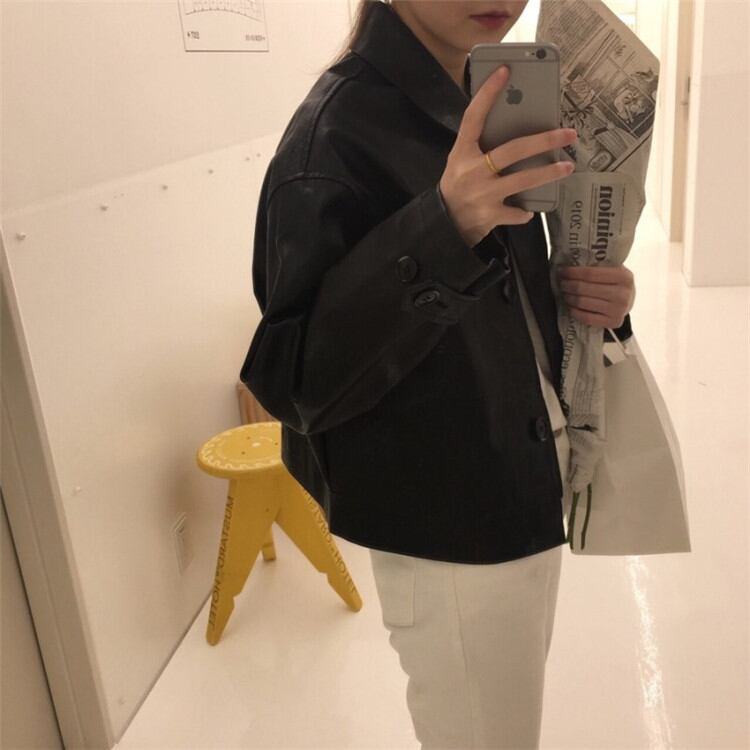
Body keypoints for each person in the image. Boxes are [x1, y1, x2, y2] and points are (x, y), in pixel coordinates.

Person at [239, 1, 636, 747]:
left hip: (524, 464)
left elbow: (501, 297)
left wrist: (593, 300)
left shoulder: (480, 97)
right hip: (451, 513)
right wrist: (444, 222)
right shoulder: (335, 135)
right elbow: (295, 382)